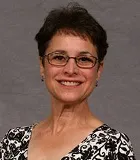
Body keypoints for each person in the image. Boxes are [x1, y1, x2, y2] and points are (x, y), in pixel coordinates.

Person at [0, 2, 136, 160]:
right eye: (59, 57)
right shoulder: (13, 141)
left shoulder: (114, 147)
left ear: (98, 70)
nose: (70, 70)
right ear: (42, 66)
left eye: (84, 59)